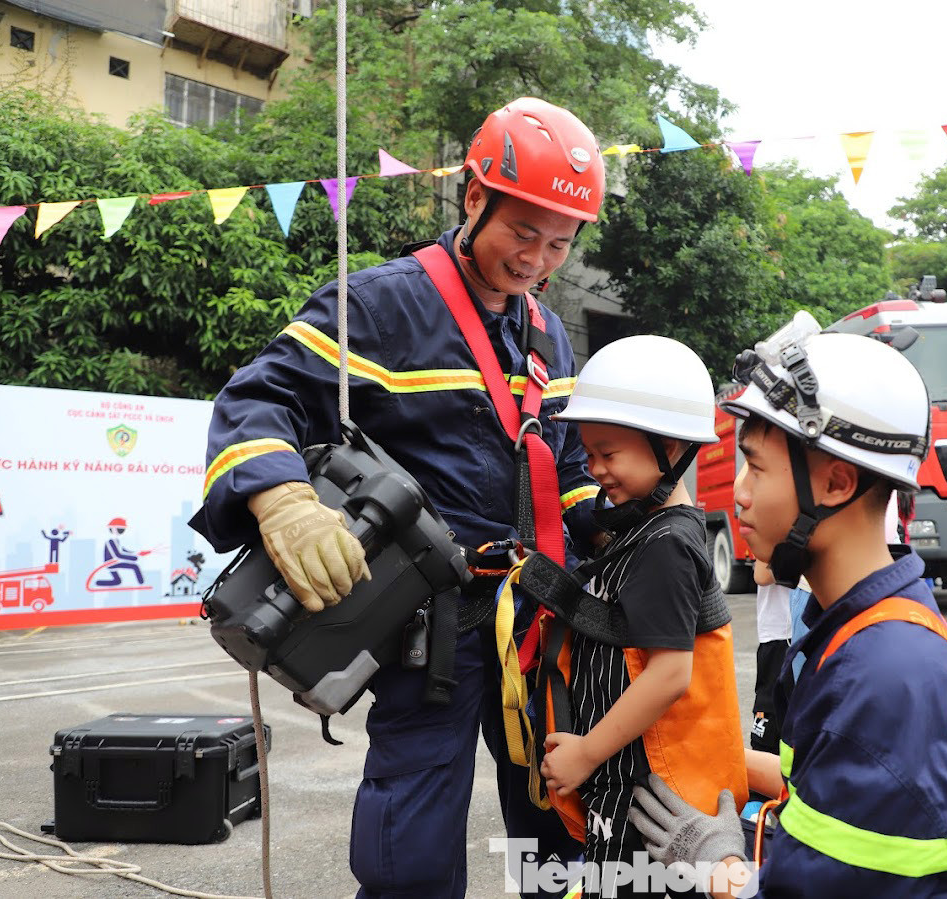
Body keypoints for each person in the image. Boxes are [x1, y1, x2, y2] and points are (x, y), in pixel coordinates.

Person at [189, 97, 607, 898]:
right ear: (474, 196)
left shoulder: (550, 334)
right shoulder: (378, 306)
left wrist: (630, 524)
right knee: (409, 839)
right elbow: (256, 399)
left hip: (538, 620)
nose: (537, 259)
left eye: (558, 243)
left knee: (560, 824)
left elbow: (569, 467)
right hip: (432, 627)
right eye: (523, 232)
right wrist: (283, 501)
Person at [627, 326, 947, 897]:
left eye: (755, 467)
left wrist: (717, 865)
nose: (738, 492)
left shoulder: (883, 677)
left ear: (835, 483)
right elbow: (826, 777)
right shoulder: (869, 623)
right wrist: (710, 758)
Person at [539, 334, 747, 897]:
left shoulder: (665, 546)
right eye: (589, 453)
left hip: (651, 797)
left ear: (671, 448)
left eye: (609, 453)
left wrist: (585, 753)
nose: (593, 468)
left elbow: (669, 673)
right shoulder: (642, 533)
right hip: (630, 783)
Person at [749, 559, 792, 755]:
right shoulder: (779, 528)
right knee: (767, 737)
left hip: (814, 632)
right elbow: (762, 574)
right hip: (779, 635)